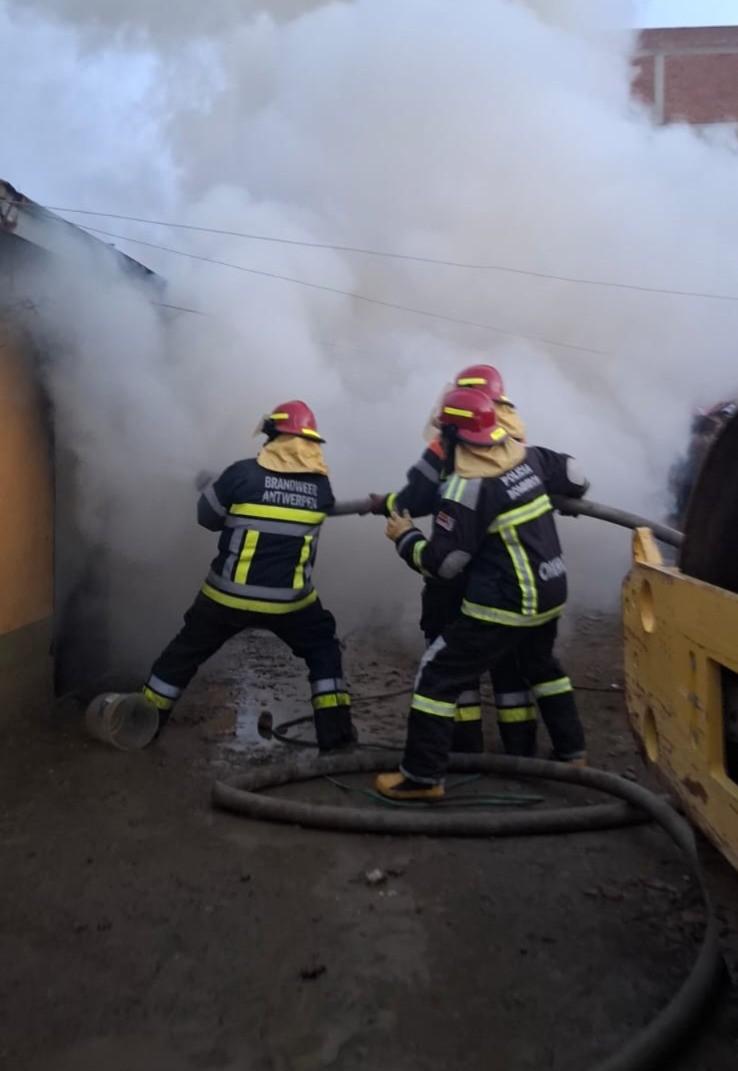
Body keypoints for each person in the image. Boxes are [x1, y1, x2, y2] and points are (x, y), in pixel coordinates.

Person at [376, 386, 588, 801]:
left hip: (505, 603)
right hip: (550, 590)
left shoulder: (467, 490)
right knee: (542, 666)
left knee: (437, 674)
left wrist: (405, 538)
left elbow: (445, 564)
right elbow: (577, 475)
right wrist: (565, 498)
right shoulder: (531, 458)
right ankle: (572, 754)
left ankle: (422, 777)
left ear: (454, 438)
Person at [139, 400, 354, 751]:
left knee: (184, 653)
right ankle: (336, 738)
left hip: (226, 597)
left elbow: (207, 518)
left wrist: (216, 487)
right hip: (290, 603)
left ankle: (144, 719)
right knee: (323, 650)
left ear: (273, 437)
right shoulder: (321, 488)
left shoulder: (240, 474)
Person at [369, 364, 537, 755]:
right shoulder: (519, 439)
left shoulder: (449, 440)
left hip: (457, 569)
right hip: (510, 574)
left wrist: (390, 509)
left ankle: (465, 750)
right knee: (509, 661)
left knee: (452, 663)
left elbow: (415, 497)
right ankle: (522, 752)